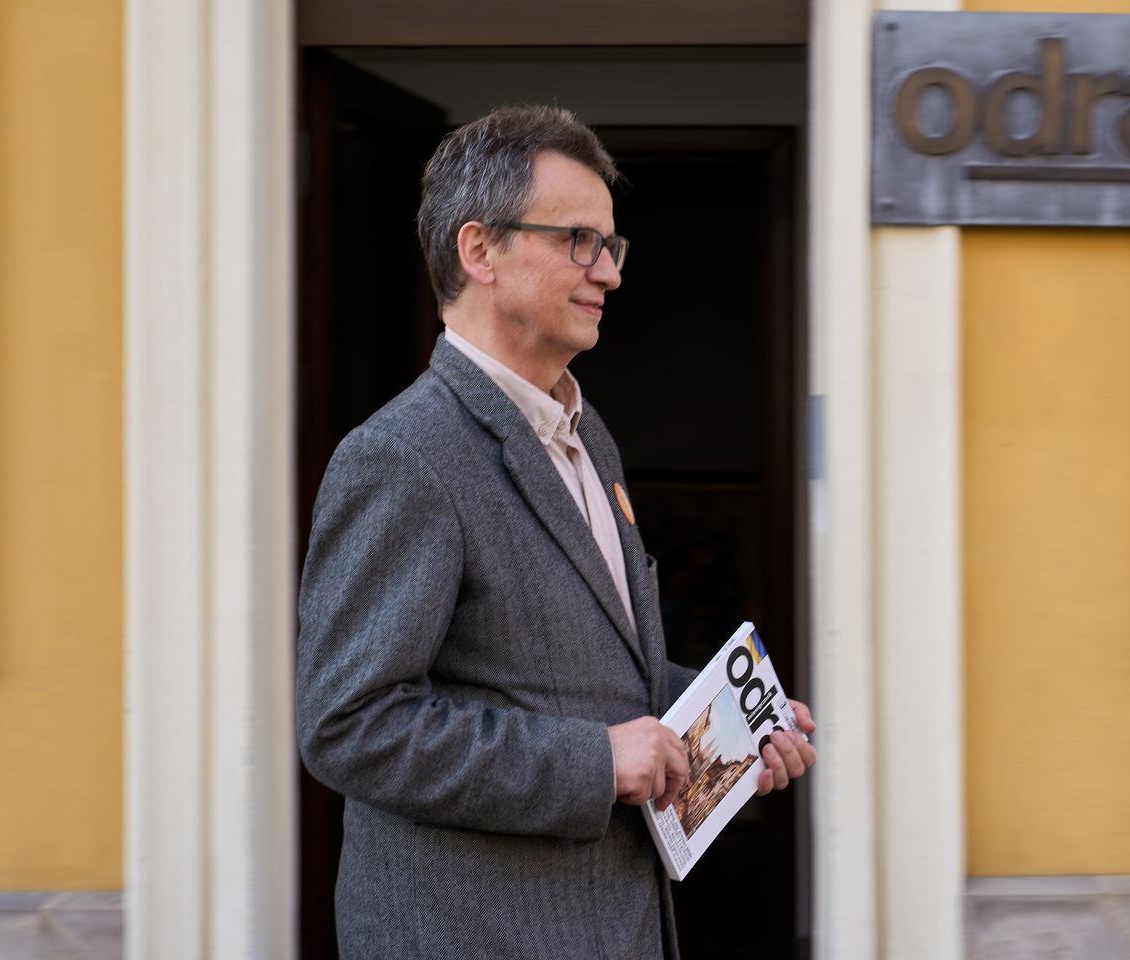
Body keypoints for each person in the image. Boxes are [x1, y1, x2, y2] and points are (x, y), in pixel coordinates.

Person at [296, 104, 817, 960]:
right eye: (579, 241)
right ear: (480, 251)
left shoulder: (588, 434)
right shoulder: (400, 457)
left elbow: (594, 672)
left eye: (610, 246)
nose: (607, 272)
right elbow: (350, 726)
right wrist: (594, 764)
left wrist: (729, 720)